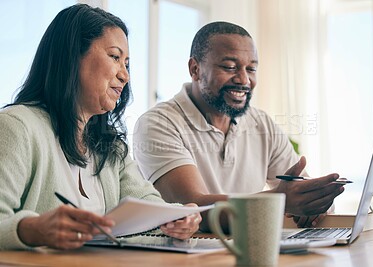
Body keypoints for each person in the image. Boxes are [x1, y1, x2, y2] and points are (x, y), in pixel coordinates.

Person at [0, 4, 201, 251]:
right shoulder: (17, 126)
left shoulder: (109, 144)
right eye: (115, 57)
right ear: (72, 56)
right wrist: (31, 229)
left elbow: (148, 206)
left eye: (127, 63)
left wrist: (179, 217)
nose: (125, 75)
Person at [133, 21, 345, 232]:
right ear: (195, 69)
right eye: (229, 67)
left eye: (251, 69)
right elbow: (194, 209)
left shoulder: (261, 124)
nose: (244, 79)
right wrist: (281, 200)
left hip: (246, 250)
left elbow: (300, 192)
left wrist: (314, 203)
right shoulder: (158, 123)